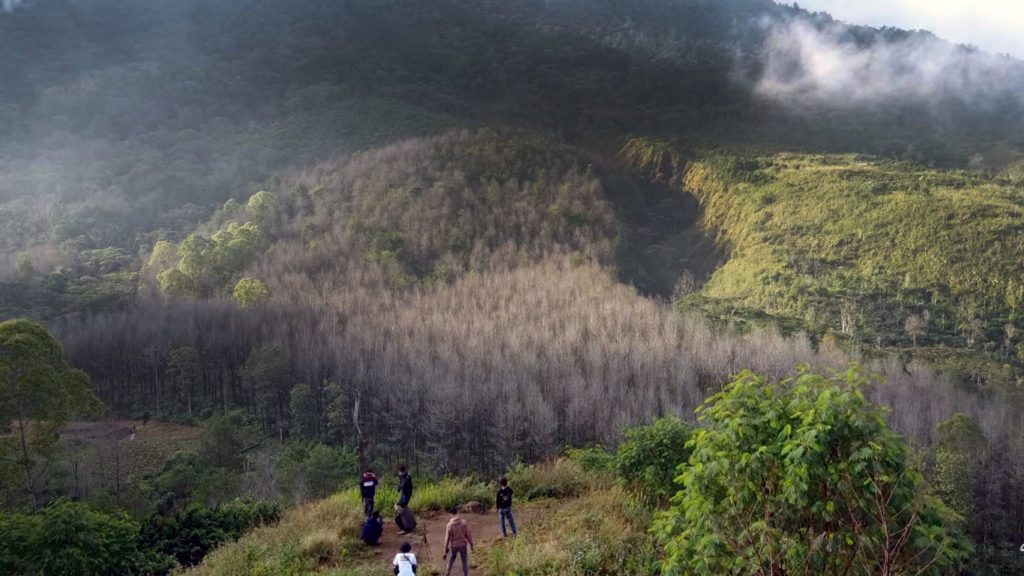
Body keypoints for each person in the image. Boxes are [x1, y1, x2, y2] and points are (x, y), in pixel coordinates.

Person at [443, 506, 474, 576]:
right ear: (457, 512)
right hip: (463, 545)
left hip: (454, 546)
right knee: (464, 561)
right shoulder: (463, 522)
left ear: (451, 514)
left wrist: (445, 551)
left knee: (451, 560)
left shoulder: (449, 525)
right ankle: (465, 575)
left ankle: (447, 573)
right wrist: (471, 544)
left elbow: (447, 539)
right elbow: (468, 535)